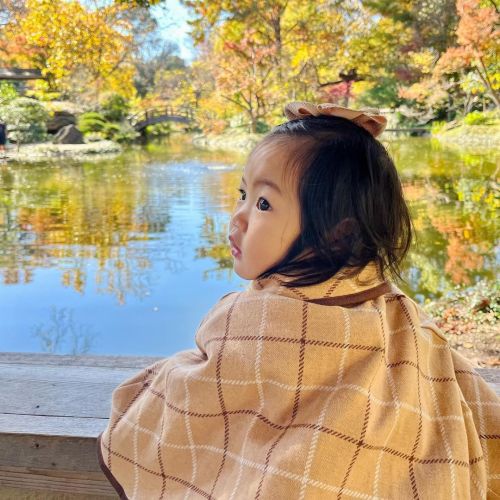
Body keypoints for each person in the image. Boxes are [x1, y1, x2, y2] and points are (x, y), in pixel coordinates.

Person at [97, 101, 499, 499]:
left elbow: (193, 399)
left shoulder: (251, 318)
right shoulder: (402, 313)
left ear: (336, 235)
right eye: (242, 193)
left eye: (264, 204)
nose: (237, 217)